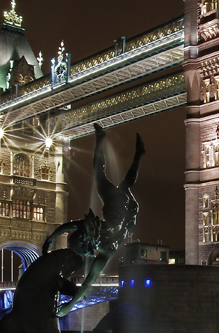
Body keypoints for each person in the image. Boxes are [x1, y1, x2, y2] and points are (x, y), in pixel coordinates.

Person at [44, 125, 144, 317]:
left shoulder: (91, 229)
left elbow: (69, 225)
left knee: (99, 173)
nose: (83, 229)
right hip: (125, 211)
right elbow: (88, 282)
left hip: (109, 204)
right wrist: (69, 307)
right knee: (125, 184)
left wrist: (52, 236)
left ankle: (101, 138)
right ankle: (139, 154)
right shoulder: (107, 249)